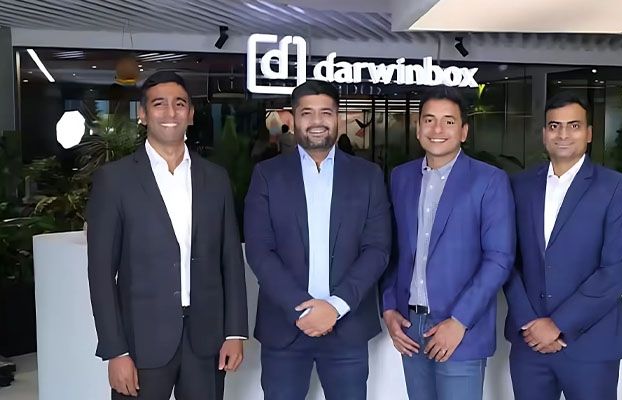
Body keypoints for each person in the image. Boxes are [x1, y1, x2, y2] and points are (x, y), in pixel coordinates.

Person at [86, 71, 248, 400]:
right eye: (159, 104)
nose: (170, 112)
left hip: (206, 340)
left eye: (180, 104)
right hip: (140, 343)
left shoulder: (215, 178)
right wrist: (115, 351)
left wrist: (235, 332)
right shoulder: (114, 180)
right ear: (143, 114)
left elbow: (230, 260)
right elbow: (101, 273)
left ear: (191, 114)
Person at [244, 80, 391, 400]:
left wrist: (335, 307)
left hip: (347, 328)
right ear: (294, 119)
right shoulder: (267, 175)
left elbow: (377, 250)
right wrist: (302, 310)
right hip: (284, 328)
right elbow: (259, 250)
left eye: (326, 112)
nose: (317, 121)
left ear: (337, 117)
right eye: (306, 113)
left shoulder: (368, 176)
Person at [504, 92, 622, 400]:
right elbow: (506, 259)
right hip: (529, 344)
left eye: (574, 126)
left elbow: (617, 269)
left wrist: (558, 324)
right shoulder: (519, 186)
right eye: (554, 126)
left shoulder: (616, 187)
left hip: (591, 343)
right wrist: (529, 322)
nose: (563, 134)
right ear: (544, 133)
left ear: (589, 133)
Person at [381, 86, 516, 400]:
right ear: (418, 129)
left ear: (464, 131)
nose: (437, 129)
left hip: (460, 329)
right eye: (429, 120)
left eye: (449, 121)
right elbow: (391, 249)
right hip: (410, 325)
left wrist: (459, 321)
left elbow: (499, 258)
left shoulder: (489, 180)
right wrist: (388, 307)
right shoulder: (401, 177)